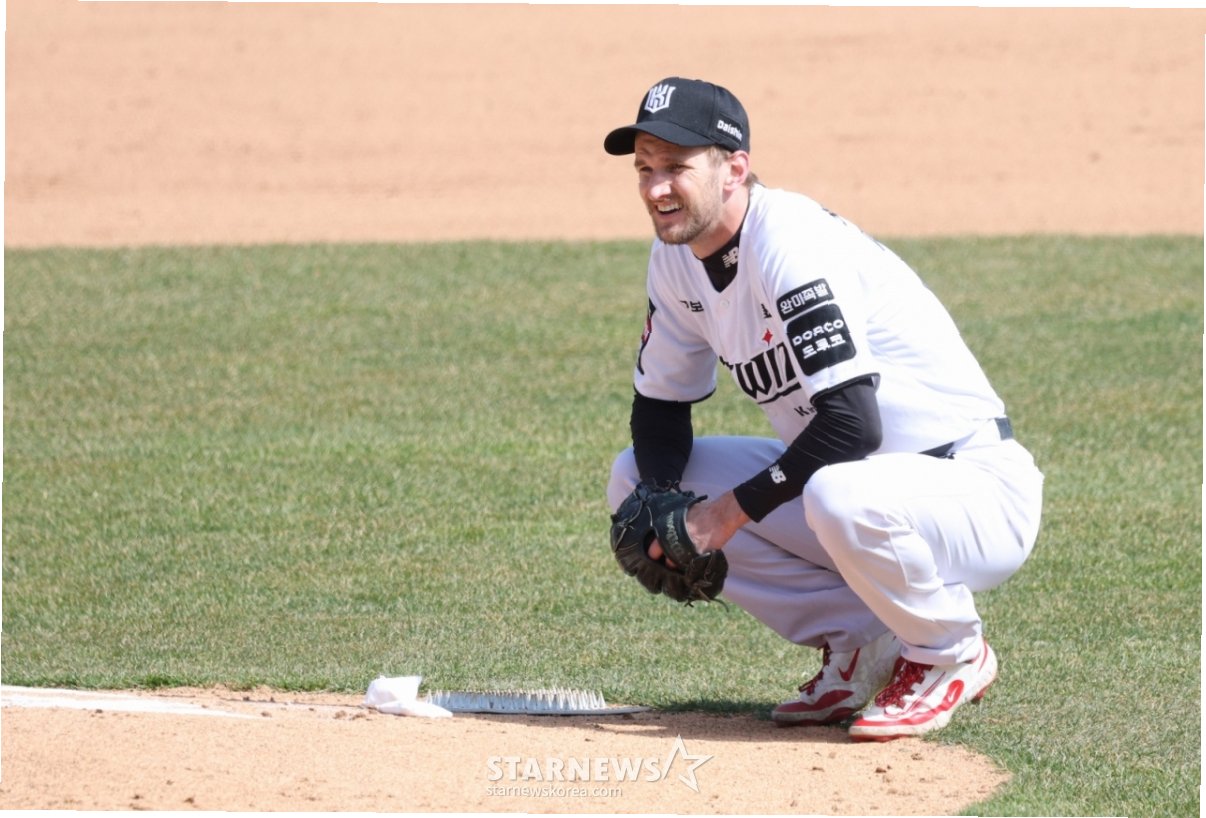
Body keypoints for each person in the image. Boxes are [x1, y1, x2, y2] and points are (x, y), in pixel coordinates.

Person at [603, 77, 1044, 741]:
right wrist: (666, 503)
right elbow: (660, 406)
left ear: (734, 170)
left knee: (837, 493)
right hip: (860, 489)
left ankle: (950, 650)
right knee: (634, 477)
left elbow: (853, 424)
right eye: (644, 168)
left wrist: (720, 518)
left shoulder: (790, 243)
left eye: (676, 167)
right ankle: (863, 641)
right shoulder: (676, 263)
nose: (656, 188)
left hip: (972, 487)